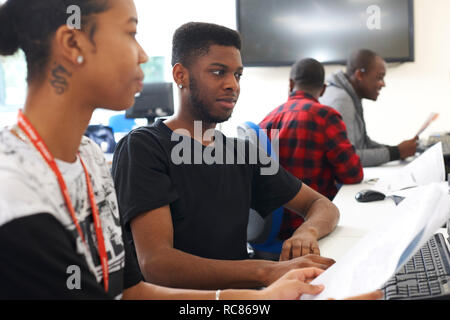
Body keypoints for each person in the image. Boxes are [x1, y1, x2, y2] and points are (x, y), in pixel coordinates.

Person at [0, 0, 337, 300]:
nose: (144, 56)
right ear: (72, 43)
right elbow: (156, 267)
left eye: (237, 74)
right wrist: (261, 281)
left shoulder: (88, 158)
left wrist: (258, 298)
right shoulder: (14, 190)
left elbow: (130, 290)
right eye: (130, 33)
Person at [111, 22, 344, 291]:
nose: (232, 85)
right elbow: (157, 264)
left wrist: (307, 232)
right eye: (218, 72)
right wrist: (267, 272)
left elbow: (322, 205)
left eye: (238, 75)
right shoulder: (143, 148)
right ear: (180, 75)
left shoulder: (241, 152)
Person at [259, 58, 363, 240]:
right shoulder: (325, 116)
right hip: (312, 223)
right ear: (323, 89)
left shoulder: (269, 119)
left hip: (271, 229)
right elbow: (353, 174)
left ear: (291, 84)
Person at [320, 49, 418, 167]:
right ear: (360, 75)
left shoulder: (350, 95)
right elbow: (349, 157)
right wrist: (396, 152)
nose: (383, 84)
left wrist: (397, 150)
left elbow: (363, 143)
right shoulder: (341, 100)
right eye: (379, 77)